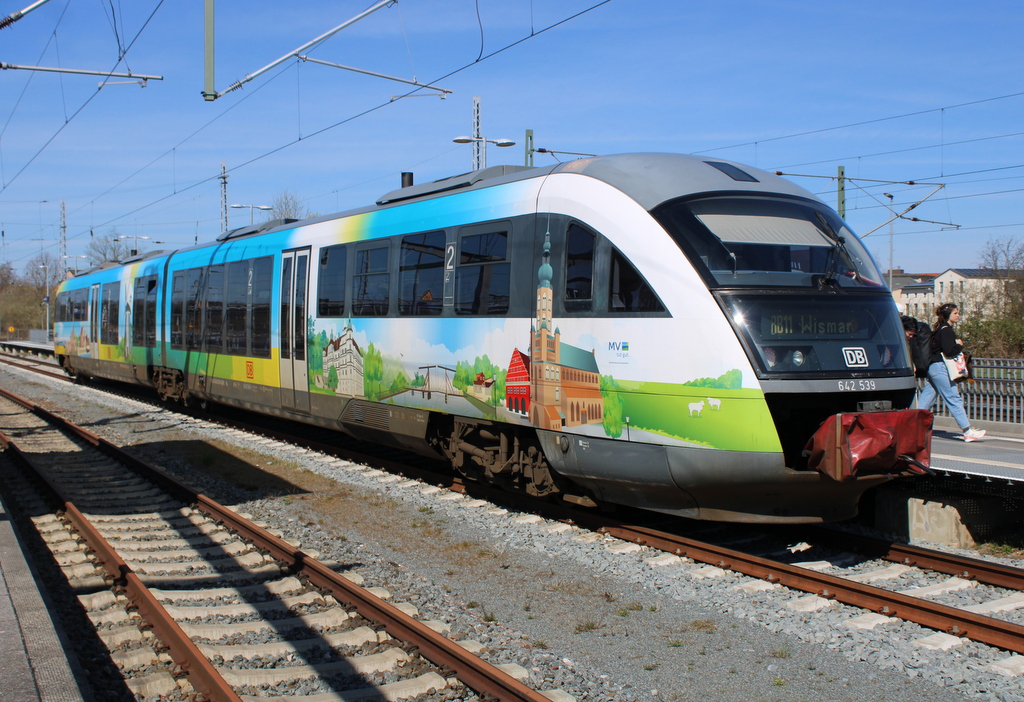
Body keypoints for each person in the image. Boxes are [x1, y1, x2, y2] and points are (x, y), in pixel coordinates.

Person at [917, 303, 986, 442]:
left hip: (933, 367)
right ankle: (967, 431)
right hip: (941, 367)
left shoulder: (938, 329)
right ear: (948, 315)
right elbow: (949, 351)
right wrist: (959, 345)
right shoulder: (946, 330)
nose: (958, 315)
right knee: (953, 398)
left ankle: (911, 427)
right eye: (956, 313)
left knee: (926, 400)